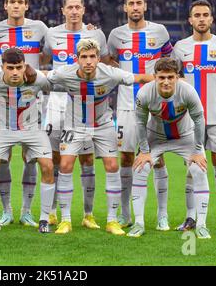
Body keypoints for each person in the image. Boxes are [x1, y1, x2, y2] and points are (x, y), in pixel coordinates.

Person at [45, 38, 153, 235]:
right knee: (66, 165)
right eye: (84, 57)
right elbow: (43, 76)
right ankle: (65, 220)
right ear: (76, 59)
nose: (88, 61)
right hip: (74, 126)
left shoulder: (110, 73)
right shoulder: (65, 73)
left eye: (92, 57)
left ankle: (112, 221)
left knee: (112, 166)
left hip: (102, 126)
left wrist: (169, 78)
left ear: (98, 58)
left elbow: (139, 78)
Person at [172, 0, 216, 232]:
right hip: (190, 119)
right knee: (193, 167)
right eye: (197, 15)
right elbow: (171, 79)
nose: (201, 18)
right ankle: (190, 217)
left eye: (205, 15)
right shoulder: (180, 47)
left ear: (211, 19)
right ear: (190, 19)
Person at [41, 0, 112, 229]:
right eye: (69, 7)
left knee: (87, 157)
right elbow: (44, 58)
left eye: (77, 7)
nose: (73, 11)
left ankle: (88, 213)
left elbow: (106, 63)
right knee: (55, 158)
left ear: (83, 10)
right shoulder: (51, 33)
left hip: (85, 102)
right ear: (63, 10)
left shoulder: (96, 34)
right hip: (57, 102)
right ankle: (52, 212)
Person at [107, 0, 173, 230]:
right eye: (130, 3)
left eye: (139, 3)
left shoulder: (160, 31)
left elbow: (170, 62)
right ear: (125, 8)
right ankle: (125, 214)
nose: (135, 7)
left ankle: (162, 215)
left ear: (145, 6)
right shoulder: (115, 35)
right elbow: (107, 61)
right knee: (125, 158)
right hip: (125, 107)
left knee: (158, 159)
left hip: (156, 107)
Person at [127, 58, 211, 239]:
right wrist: (144, 150)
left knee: (199, 169)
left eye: (170, 77)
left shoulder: (188, 91)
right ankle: (139, 223)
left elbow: (199, 120)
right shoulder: (144, 93)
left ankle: (201, 225)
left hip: (185, 136)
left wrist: (197, 150)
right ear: (155, 77)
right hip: (156, 136)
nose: (166, 81)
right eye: (162, 77)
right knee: (140, 168)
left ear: (177, 77)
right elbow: (140, 123)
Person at [0, 0, 48, 227]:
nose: (16, 5)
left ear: (26, 5)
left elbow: (51, 52)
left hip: (32, 97)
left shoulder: (40, 28)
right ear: (5, 5)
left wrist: (34, 72)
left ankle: (26, 211)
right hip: (2, 97)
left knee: (30, 157)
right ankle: (6, 210)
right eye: (11, 1)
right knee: (2, 157)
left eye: (20, 2)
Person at [0, 48, 55, 233]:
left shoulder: (37, 79)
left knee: (47, 166)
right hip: (3, 129)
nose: (15, 72)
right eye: (10, 67)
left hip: (32, 129)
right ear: (2, 67)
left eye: (19, 67)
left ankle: (41, 218)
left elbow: (60, 83)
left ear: (25, 67)